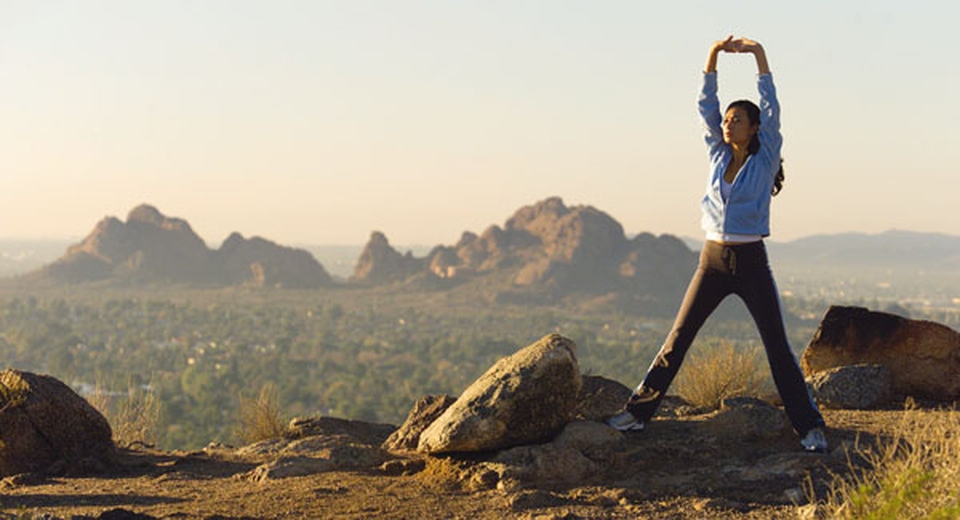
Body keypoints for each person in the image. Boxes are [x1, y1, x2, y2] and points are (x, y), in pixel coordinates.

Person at [606, 36, 828, 453]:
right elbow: (703, 105)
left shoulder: (766, 157)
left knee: (777, 348)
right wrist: (712, 55)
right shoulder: (716, 154)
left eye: (736, 119)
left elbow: (773, 105)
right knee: (678, 339)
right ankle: (637, 414)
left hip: (750, 260)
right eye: (726, 119)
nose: (727, 123)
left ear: (754, 127)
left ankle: (809, 427)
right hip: (711, 260)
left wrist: (759, 55)